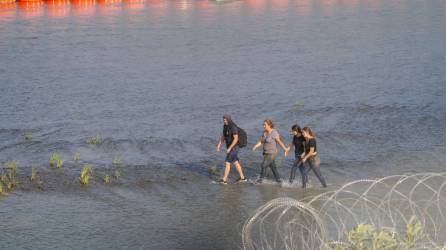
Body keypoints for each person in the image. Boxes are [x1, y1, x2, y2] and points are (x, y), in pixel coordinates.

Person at [252, 119, 288, 184]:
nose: (263, 126)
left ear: (269, 125)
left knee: (263, 165)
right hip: (266, 153)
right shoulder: (264, 133)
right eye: (263, 125)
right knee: (273, 168)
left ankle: (260, 181)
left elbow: (279, 142)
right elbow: (261, 141)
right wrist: (255, 146)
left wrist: (285, 149)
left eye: (265, 125)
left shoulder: (274, 132)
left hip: (272, 153)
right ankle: (279, 181)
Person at [216, 114, 247, 184]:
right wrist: (219, 145)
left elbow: (236, 139)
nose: (224, 121)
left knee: (227, 162)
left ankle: (224, 180)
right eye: (223, 120)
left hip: (234, 147)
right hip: (230, 147)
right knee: (235, 162)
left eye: (225, 120)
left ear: (228, 119)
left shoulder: (233, 127)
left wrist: (229, 148)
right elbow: (223, 136)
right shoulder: (225, 126)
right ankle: (243, 178)